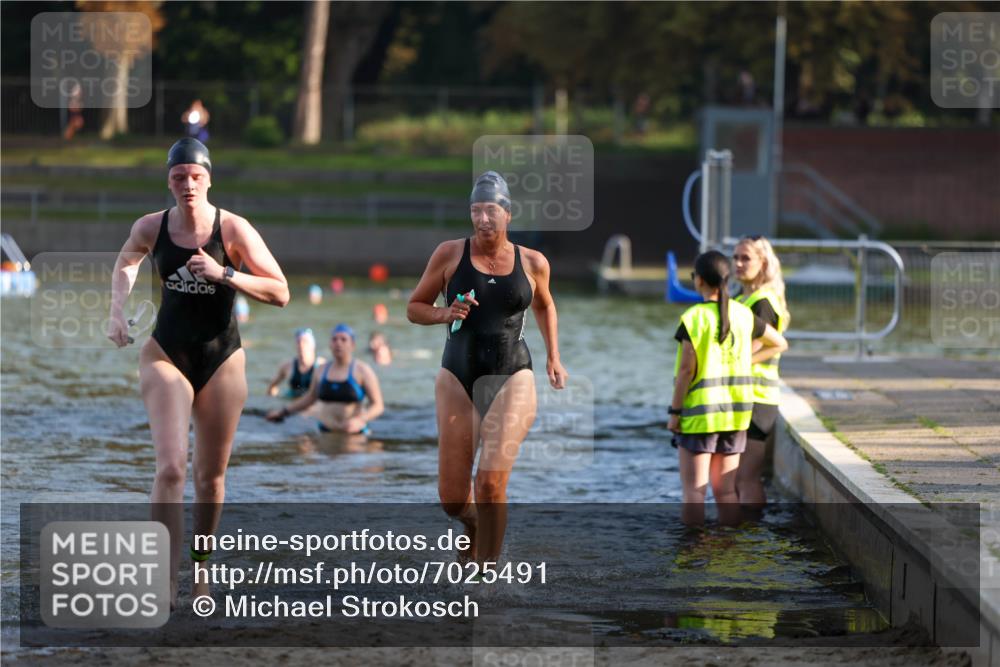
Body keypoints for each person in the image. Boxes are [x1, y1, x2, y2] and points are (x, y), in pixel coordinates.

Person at [107, 138, 289, 607]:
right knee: (171, 468)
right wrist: (116, 311)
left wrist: (224, 273)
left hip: (222, 358)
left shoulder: (233, 229)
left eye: (195, 176)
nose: (187, 184)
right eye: (178, 177)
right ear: (168, 182)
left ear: (208, 180)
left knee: (210, 479)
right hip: (166, 353)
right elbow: (127, 260)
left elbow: (280, 291)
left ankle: (201, 569)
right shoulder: (151, 226)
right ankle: (163, 576)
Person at [406, 171, 568, 564]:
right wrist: (445, 313)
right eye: (476, 210)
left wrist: (553, 355)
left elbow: (545, 305)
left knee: (491, 483)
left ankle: (487, 578)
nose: (482, 219)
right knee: (452, 500)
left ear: (507, 214)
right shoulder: (449, 254)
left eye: (491, 210)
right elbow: (414, 307)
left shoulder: (533, 262)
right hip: (457, 377)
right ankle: (475, 524)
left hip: (513, 373)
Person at [668, 250, 787, 526]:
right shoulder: (743, 314)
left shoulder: (694, 318)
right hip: (736, 416)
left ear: (699, 280)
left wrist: (675, 413)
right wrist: (745, 360)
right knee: (726, 491)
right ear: (726, 280)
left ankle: (693, 548)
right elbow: (779, 342)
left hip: (700, 417)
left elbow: (685, 371)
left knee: (694, 493)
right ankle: (730, 546)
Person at [733, 236, 790, 508]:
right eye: (735, 258)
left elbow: (760, 348)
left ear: (763, 262)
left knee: (747, 478)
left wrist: (737, 366)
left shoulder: (763, 302)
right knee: (736, 479)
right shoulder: (740, 299)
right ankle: (737, 530)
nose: (738, 263)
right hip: (741, 397)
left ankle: (752, 531)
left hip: (758, 400)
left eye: (745, 258)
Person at [267, 324, 384, 435]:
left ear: (352, 344)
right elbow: (309, 398)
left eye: (343, 339)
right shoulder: (321, 370)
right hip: (325, 431)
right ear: (330, 344)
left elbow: (378, 405)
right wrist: (283, 412)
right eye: (334, 339)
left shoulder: (363, 371)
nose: (338, 343)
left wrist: (361, 419)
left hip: (354, 433)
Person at [267, 328, 327, 399]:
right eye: (298, 342)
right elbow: (272, 386)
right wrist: (273, 400)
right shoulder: (287, 366)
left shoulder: (322, 365)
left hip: (312, 402)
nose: (301, 345)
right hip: (292, 400)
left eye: (305, 341)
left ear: (313, 345)